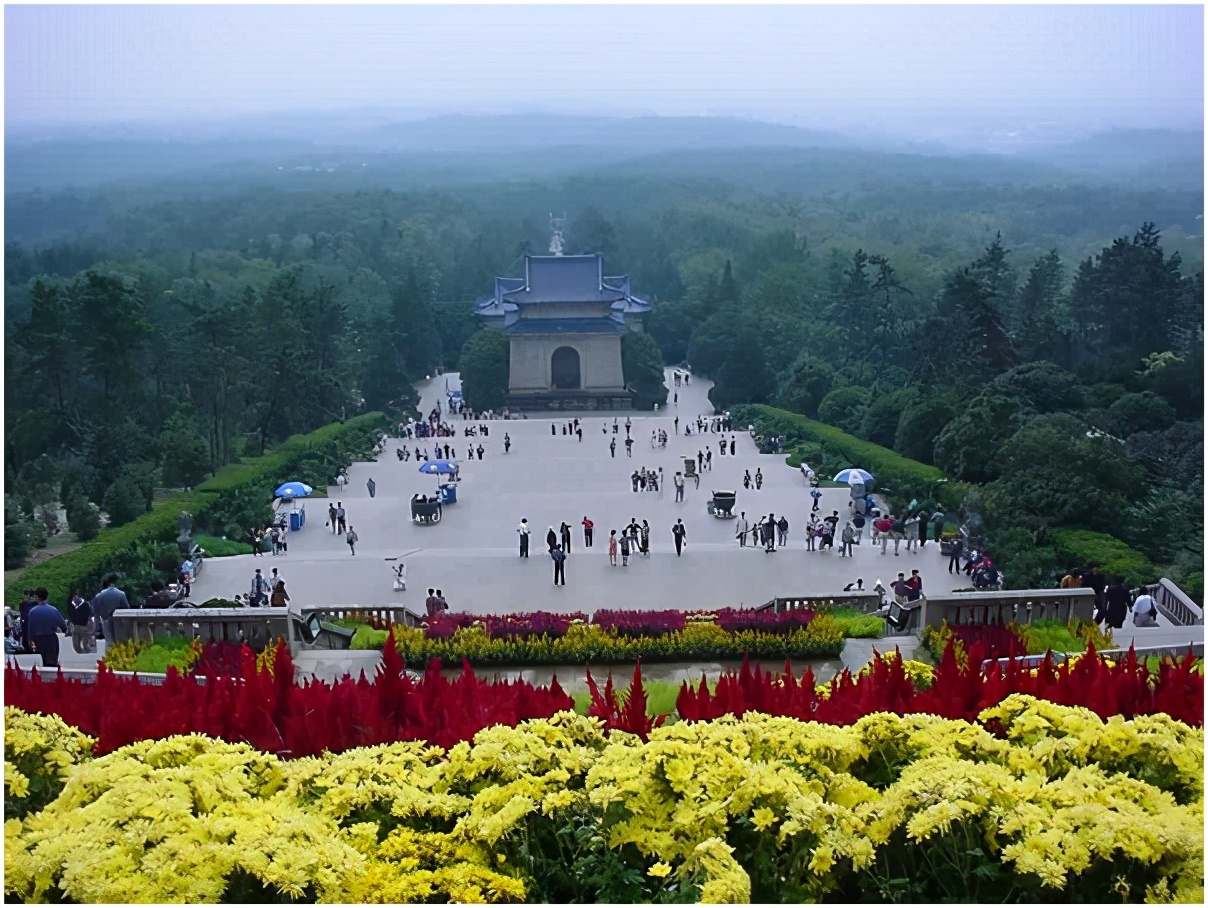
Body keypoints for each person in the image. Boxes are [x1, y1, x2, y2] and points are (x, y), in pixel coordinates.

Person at [27, 589, 67, 668]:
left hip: (38, 639)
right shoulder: (53, 610)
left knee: (40, 663)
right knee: (52, 663)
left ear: (37, 597)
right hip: (51, 639)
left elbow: (30, 630)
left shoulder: (32, 611)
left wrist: (30, 641)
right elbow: (63, 625)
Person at [90, 575, 132, 643]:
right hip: (119, 622)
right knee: (120, 641)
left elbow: (96, 615)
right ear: (114, 583)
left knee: (109, 641)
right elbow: (127, 610)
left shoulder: (99, 596)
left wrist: (96, 629)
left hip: (106, 621)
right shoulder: (121, 594)